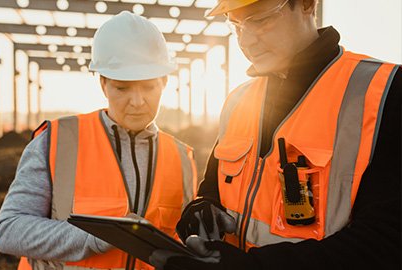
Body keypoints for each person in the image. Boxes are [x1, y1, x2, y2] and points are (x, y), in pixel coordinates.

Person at [150, 0, 401, 269]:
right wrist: (203, 207)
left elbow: (386, 242)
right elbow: (214, 186)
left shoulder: (385, 93)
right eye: (236, 26)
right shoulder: (238, 101)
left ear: (307, 4)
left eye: (259, 20)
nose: (246, 42)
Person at [0, 11, 197, 270]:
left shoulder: (181, 156)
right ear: (103, 84)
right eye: (122, 88)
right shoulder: (57, 141)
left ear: (164, 82)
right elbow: (9, 230)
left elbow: (180, 238)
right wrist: (95, 237)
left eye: (148, 87)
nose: (137, 102)